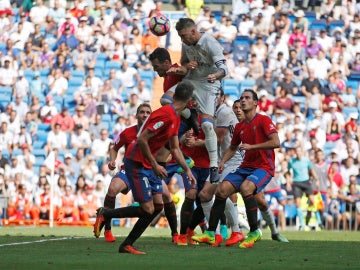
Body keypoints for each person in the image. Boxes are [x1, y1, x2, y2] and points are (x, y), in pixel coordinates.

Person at [94, 81, 197, 254]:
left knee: (157, 206)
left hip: (149, 165)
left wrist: (187, 170)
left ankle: (125, 241)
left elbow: (174, 148)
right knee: (148, 209)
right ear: (189, 101)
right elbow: (142, 139)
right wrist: (155, 164)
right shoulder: (165, 115)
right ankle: (108, 218)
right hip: (137, 163)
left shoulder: (175, 117)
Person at [192, 89, 280, 249]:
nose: (243, 100)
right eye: (242, 98)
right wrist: (222, 161)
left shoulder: (264, 120)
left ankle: (254, 231)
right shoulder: (240, 127)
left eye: (247, 98)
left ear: (255, 103)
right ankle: (211, 233)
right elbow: (232, 147)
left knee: (247, 188)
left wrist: (252, 147)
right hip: (246, 167)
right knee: (221, 190)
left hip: (263, 167)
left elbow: (276, 142)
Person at [171, 18, 228, 184]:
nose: (182, 40)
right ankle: (191, 116)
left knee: (208, 126)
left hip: (210, 84)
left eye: (183, 36)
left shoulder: (211, 43)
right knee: (166, 100)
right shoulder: (186, 44)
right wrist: (187, 64)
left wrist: (215, 75)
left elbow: (225, 69)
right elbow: (183, 62)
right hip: (192, 80)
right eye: (180, 36)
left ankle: (213, 165)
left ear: (194, 32)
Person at [287, 146, 322, 231]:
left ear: (301, 152)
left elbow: (311, 170)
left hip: (306, 182)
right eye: (297, 151)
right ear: (295, 152)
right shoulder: (291, 161)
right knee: (298, 203)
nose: (298, 153)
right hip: (296, 183)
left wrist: (317, 179)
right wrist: (288, 181)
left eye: (299, 151)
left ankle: (320, 223)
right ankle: (302, 225)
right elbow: (288, 172)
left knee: (313, 201)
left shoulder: (306, 160)